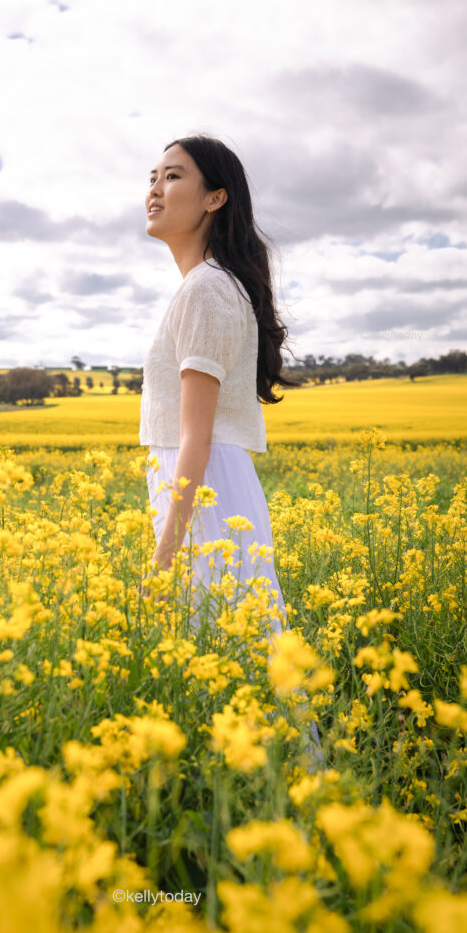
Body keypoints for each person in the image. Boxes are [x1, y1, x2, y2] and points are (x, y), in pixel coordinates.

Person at [138, 134, 301, 640]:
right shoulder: (211, 284)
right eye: (152, 177)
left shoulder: (207, 287)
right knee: (232, 654)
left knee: (227, 648)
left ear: (216, 197)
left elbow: (196, 436)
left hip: (205, 492)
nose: (155, 189)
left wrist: (163, 558)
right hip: (206, 490)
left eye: (173, 175)